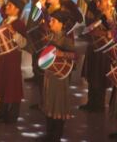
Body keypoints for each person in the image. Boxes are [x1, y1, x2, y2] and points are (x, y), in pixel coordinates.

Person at [0, 0, 27, 124]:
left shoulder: (19, 24)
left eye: (10, 5)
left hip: (12, 59)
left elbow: (24, 43)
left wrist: (14, 33)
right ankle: (2, 111)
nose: (6, 7)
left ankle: (12, 115)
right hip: (3, 57)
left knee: (12, 85)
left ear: (17, 10)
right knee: (4, 83)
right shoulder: (6, 20)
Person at [41, 11, 76, 141]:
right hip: (50, 76)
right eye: (51, 20)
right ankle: (49, 134)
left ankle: (56, 136)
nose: (50, 23)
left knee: (58, 104)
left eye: (53, 21)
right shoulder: (51, 37)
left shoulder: (66, 40)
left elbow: (74, 56)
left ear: (61, 24)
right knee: (49, 103)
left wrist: (62, 54)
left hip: (60, 78)